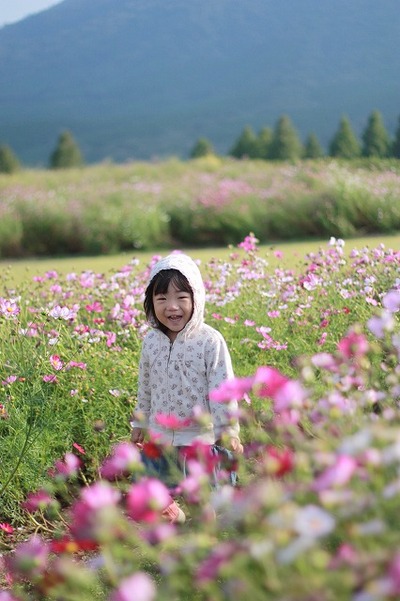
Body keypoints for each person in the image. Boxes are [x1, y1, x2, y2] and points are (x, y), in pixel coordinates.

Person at [130, 252, 243, 523]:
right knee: (152, 497)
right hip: (159, 437)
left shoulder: (209, 341)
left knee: (201, 502)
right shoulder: (151, 342)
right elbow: (145, 385)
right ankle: (177, 519)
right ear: (150, 303)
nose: (172, 307)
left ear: (196, 299)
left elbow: (222, 389)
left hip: (198, 440)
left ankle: (204, 549)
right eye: (162, 299)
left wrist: (227, 430)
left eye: (181, 298)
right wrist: (139, 422)